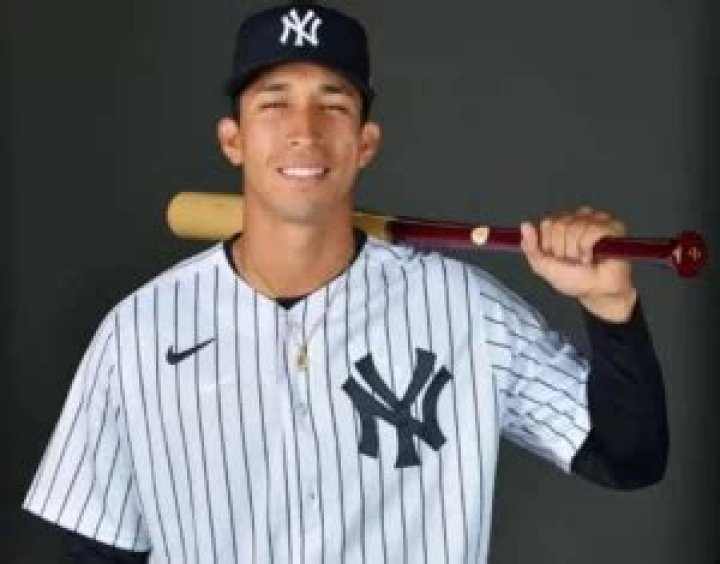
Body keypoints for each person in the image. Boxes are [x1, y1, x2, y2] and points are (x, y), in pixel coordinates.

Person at [23, 3, 668, 563]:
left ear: (366, 142)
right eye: (274, 103)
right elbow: (97, 553)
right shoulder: (138, 332)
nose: (304, 130)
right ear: (232, 139)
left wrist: (609, 304)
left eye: (333, 104)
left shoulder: (467, 311)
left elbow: (629, 456)